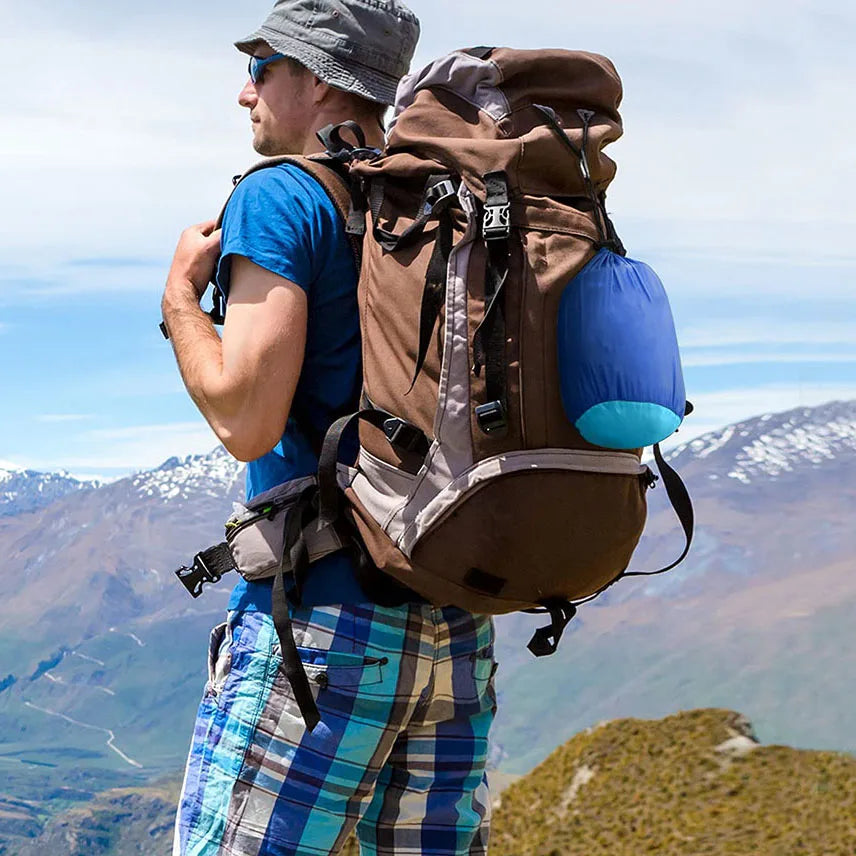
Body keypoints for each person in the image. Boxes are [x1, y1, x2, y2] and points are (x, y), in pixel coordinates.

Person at [161, 2, 498, 854]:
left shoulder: (284, 195)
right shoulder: (447, 204)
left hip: (322, 632)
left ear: (316, 81)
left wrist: (178, 303)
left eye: (262, 66)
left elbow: (246, 417)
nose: (246, 93)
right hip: (457, 634)